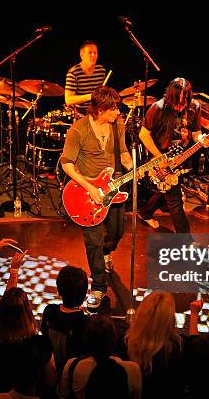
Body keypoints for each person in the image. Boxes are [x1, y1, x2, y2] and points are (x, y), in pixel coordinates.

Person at [60, 86, 133, 309]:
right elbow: (67, 163)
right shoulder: (78, 130)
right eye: (114, 109)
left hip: (113, 187)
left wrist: (132, 164)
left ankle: (105, 253)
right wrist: (89, 187)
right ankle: (99, 287)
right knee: (93, 241)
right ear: (100, 110)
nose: (118, 113)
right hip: (87, 193)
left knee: (117, 231)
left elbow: (122, 152)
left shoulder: (118, 125)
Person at [137, 77, 208, 231]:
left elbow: (196, 133)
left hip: (180, 155)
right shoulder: (158, 108)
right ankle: (186, 242)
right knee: (175, 200)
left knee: (165, 189)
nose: (180, 104)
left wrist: (202, 139)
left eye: (184, 100)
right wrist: (159, 157)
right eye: (177, 100)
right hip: (160, 155)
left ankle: (144, 213)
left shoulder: (194, 107)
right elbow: (143, 134)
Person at [65, 40, 107, 114]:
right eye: (90, 53)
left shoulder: (101, 70)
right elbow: (68, 100)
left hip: (98, 110)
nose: (93, 55)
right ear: (82, 55)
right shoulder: (73, 72)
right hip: (82, 112)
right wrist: (91, 96)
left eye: (95, 53)